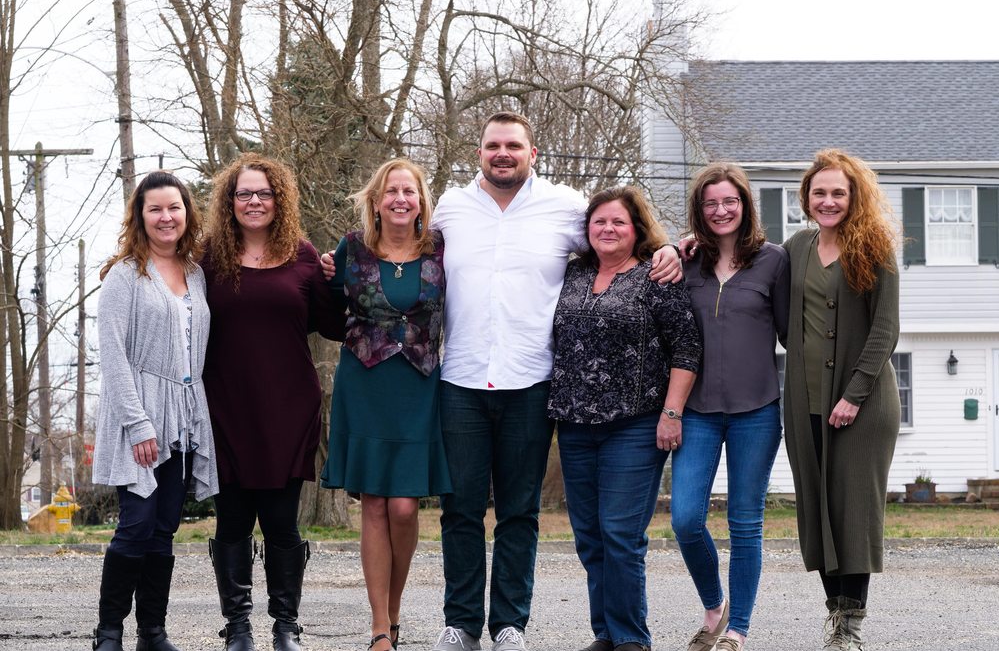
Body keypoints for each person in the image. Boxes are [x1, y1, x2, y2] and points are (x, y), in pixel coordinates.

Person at [321, 112, 682, 651]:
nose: (503, 153)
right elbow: (395, 254)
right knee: (460, 511)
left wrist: (670, 248)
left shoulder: (565, 207)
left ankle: (510, 623)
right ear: (480, 153)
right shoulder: (449, 209)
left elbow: (618, 232)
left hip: (532, 383)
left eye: (514, 145)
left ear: (532, 153)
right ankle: (462, 624)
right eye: (493, 145)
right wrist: (333, 265)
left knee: (519, 512)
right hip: (460, 382)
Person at [202, 153, 344, 651]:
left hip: (289, 408)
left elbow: (334, 324)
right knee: (233, 521)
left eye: (264, 193)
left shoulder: (302, 256)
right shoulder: (208, 258)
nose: (255, 201)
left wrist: (337, 278)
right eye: (244, 193)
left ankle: (286, 626)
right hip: (223, 408)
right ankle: (238, 627)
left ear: (279, 199)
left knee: (282, 522)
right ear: (230, 201)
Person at [549, 187, 700, 651]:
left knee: (620, 533)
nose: (608, 229)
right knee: (590, 537)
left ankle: (632, 637)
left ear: (636, 229)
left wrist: (672, 413)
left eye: (618, 222)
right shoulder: (572, 274)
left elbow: (687, 349)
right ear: (587, 229)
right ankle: (606, 634)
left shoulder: (657, 276)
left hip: (634, 424)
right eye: (599, 221)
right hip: (574, 425)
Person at [320, 159, 451, 651]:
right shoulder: (351, 248)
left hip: (419, 387)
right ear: (376, 201)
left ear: (421, 202)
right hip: (365, 385)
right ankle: (381, 626)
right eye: (391, 191)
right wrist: (324, 274)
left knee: (403, 506)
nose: (400, 199)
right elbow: (323, 307)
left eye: (409, 191)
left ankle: (394, 611)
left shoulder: (441, 247)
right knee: (374, 503)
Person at [92, 171, 219, 651]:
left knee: (164, 529)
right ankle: (108, 633)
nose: (166, 217)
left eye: (174, 207)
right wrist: (138, 422)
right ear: (140, 217)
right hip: (139, 414)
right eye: (155, 209)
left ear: (187, 212)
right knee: (136, 525)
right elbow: (113, 354)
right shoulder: (126, 274)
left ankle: (153, 632)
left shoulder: (196, 273)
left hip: (183, 416)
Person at [783, 149, 900, 651]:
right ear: (806, 198)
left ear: (854, 197)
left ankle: (850, 626)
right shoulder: (795, 248)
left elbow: (885, 329)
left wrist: (854, 393)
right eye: (819, 192)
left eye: (838, 192)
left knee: (853, 510)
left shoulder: (874, 247)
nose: (828, 201)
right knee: (818, 509)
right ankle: (835, 614)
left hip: (864, 405)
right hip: (805, 400)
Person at [671, 163, 789, 651]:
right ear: (700, 210)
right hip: (697, 410)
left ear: (745, 205)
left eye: (730, 201)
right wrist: (670, 248)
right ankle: (714, 604)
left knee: (745, 521)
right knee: (684, 518)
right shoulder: (686, 262)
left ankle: (737, 628)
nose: (721, 210)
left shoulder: (774, 261)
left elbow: (792, 334)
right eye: (711, 203)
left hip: (757, 410)